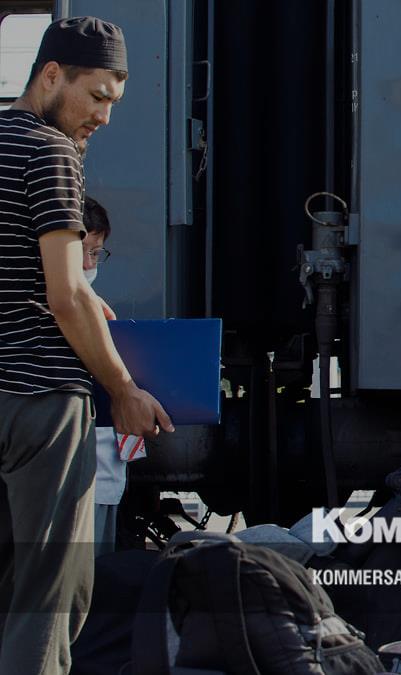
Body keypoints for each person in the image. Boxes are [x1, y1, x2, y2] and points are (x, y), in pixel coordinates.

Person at [0, 17, 172, 674]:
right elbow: (67, 296)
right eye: (96, 96)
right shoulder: (52, 151)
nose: (103, 116)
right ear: (51, 75)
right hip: (41, 402)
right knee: (48, 594)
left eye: (113, 102)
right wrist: (123, 389)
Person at [81, 196, 143, 557]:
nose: (89, 264)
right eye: (81, 251)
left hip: (103, 472)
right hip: (80, 474)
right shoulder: (80, 309)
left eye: (95, 253)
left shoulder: (99, 309)